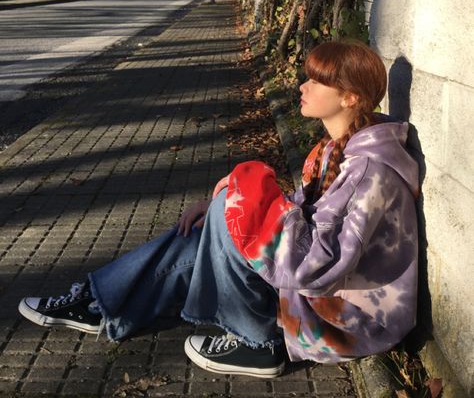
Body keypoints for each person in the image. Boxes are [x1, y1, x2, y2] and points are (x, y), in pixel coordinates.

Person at [18, 40, 419, 379]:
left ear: (349, 97)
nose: (304, 86)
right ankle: (100, 303)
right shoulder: (336, 149)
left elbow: (318, 263)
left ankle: (258, 343)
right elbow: (306, 216)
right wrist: (235, 201)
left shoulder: (368, 171)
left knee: (227, 220)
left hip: (348, 317)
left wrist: (244, 202)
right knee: (202, 229)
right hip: (321, 286)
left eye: (317, 81)